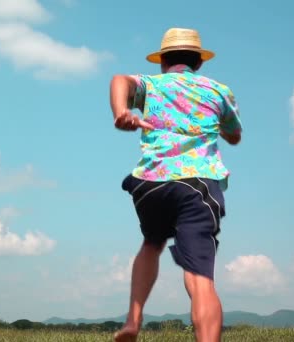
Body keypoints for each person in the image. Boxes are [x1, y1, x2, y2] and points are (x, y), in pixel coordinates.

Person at [109, 28, 243, 342]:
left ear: (163, 61)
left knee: (151, 244)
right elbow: (235, 135)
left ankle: (132, 320)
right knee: (199, 279)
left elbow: (120, 79)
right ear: (198, 62)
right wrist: (216, 125)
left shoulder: (153, 84)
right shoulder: (219, 91)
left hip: (149, 184)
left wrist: (121, 112)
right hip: (196, 183)